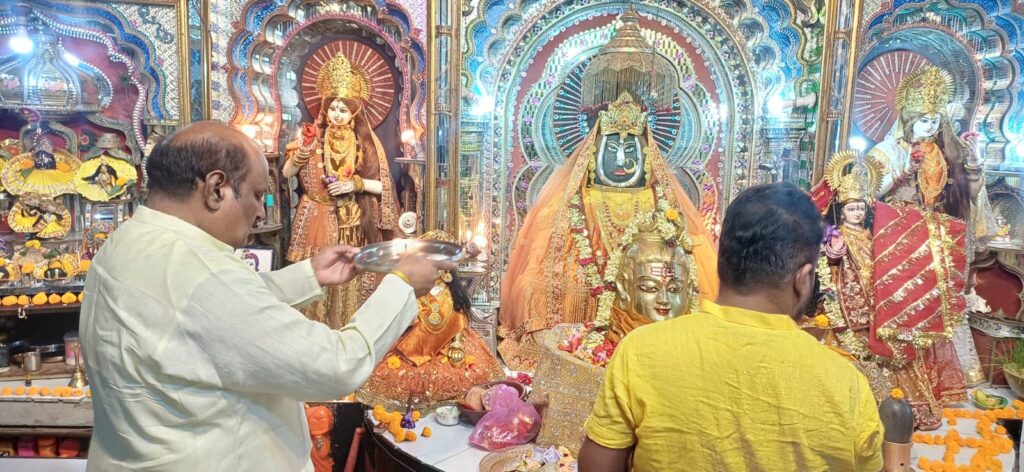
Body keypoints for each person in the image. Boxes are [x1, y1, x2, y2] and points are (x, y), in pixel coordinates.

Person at [79, 121, 454, 471]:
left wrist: (310, 276)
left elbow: (214, 314)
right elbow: (336, 365)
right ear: (216, 188)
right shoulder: (200, 273)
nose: (260, 212)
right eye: (258, 195)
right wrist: (403, 285)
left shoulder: (129, 242)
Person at [579, 183, 883, 471]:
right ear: (803, 279)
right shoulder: (847, 385)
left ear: (720, 263)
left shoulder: (640, 351)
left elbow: (599, 463)